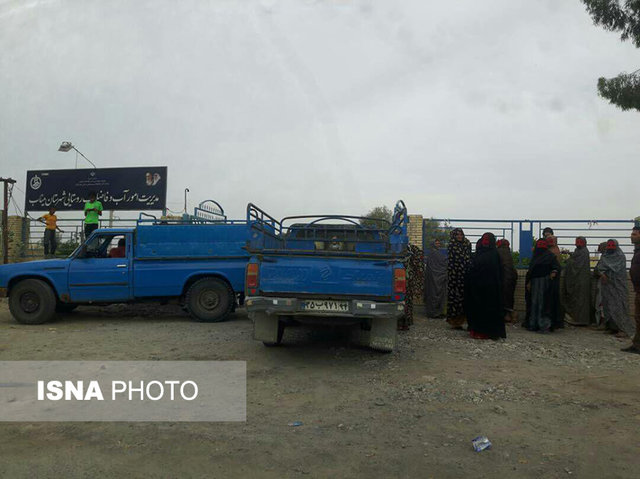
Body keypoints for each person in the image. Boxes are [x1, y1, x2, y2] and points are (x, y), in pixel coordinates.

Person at [465, 233, 505, 340]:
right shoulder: (480, 253)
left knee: (489, 310)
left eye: (488, 240)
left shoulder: (494, 254)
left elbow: (498, 272)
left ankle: (488, 332)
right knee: (477, 309)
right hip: (477, 288)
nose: (486, 242)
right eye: (484, 240)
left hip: (490, 289)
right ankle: (477, 330)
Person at [596, 239, 632, 337]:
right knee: (608, 306)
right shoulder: (605, 256)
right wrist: (602, 273)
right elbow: (599, 267)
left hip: (617, 286)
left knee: (619, 306)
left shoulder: (620, 256)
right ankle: (611, 327)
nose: (610, 247)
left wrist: (605, 271)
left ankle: (622, 329)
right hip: (607, 286)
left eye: (612, 245)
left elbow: (616, 268)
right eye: (609, 245)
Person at [525, 239, 561, 333]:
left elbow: (556, 267)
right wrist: (529, 282)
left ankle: (544, 325)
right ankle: (533, 324)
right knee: (534, 304)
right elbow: (531, 271)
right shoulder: (535, 257)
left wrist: (553, 272)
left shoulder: (550, 256)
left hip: (546, 284)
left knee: (544, 304)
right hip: (534, 283)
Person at [562, 237, 592, 326]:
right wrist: (569, 254)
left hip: (582, 280)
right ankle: (575, 318)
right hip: (577, 280)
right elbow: (575, 258)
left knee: (581, 301)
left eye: (580, 242)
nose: (578, 244)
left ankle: (581, 320)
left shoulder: (584, 252)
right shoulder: (578, 251)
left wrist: (568, 261)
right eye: (577, 242)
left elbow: (576, 264)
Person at [446, 228, 471, 329]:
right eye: (457, 235)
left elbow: (468, 257)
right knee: (454, 298)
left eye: (461, 235)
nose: (459, 237)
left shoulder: (467, 244)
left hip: (465, 275)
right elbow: (453, 260)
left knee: (464, 297)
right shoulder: (452, 245)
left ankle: (462, 320)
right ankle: (455, 322)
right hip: (454, 276)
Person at [622, 226, 640, 354]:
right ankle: (637, 344)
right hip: (638, 290)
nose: (631, 236)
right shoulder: (637, 250)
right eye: (632, 234)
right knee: (638, 317)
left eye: (634, 234)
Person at [399, 244, 424, 330]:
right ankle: (400, 322)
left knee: (407, 301)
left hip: (407, 281)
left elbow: (419, 268)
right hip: (398, 280)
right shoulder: (392, 246)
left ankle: (405, 322)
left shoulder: (413, 249)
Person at [424, 239, 447, 318]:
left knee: (433, 294)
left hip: (435, 277)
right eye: (436, 243)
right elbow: (444, 263)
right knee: (435, 294)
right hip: (435, 277)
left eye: (439, 242)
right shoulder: (434, 254)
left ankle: (434, 312)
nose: (438, 244)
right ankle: (435, 313)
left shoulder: (433, 253)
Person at [496, 239, 518, 323]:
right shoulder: (508, 252)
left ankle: (507, 315)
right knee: (509, 297)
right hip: (512, 277)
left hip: (504, 277)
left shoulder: (499, 251)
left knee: (503, 298)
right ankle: (510, 315)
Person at [593, 242, 607, 328]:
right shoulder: (603, 257)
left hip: (605, 284)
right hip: (600, 283)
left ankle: (603, 322)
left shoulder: (607, 258)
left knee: (602, 304)